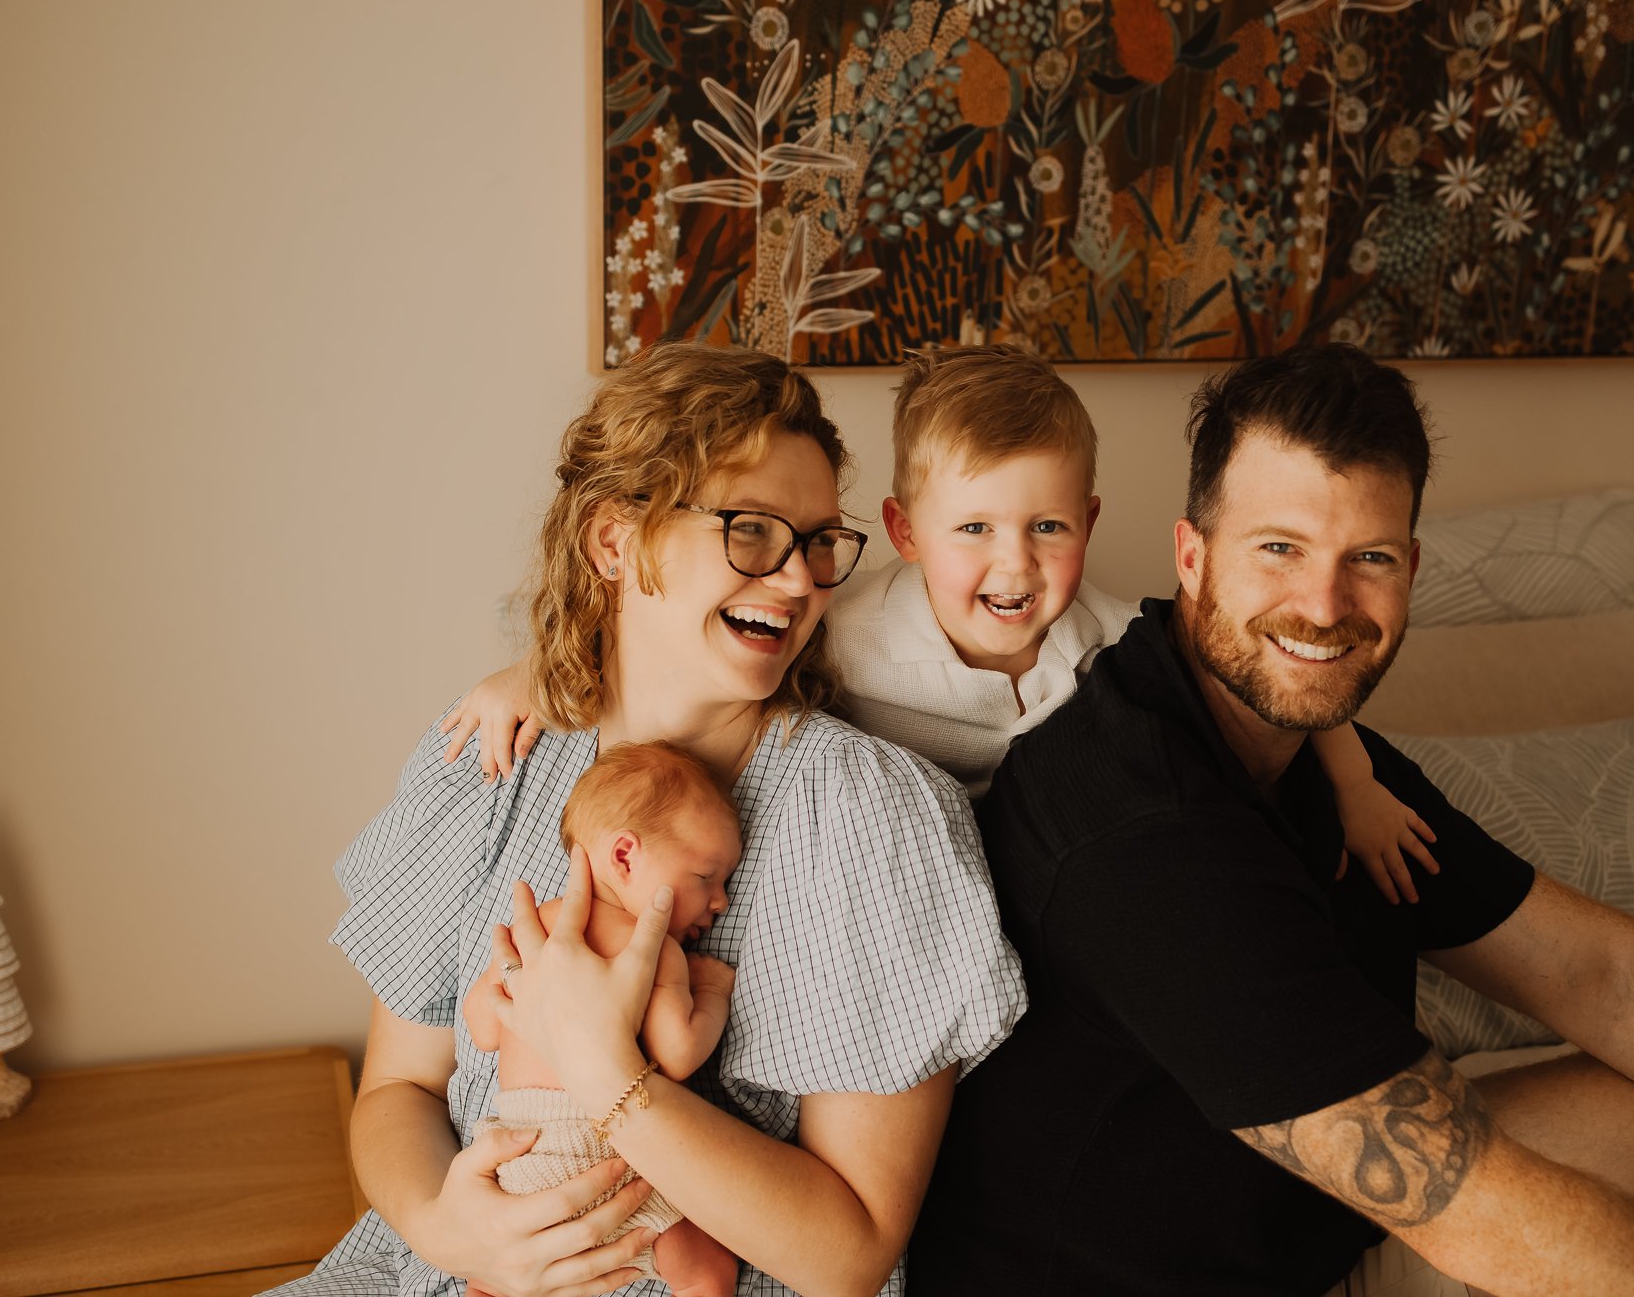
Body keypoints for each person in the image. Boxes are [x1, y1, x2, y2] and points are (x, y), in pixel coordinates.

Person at [906, 343, 1634, 1297]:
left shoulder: (1317, 755)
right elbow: (1465, 1201)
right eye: (1278, 549)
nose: (1325, 607)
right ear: (1192, 560)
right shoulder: (1138, 824)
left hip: (1292, 1223)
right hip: (1132, 1281)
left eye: (1368, 560)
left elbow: (1598, 977)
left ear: (1410, 571)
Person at [281, 342, 1025, 1297]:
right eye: (752, 531)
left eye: (817, 541)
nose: (799, 581)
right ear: (614, 542)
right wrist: (449, 1230)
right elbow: (398, 1091)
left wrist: (611, 1082)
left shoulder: (865, 820)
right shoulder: (492, 757)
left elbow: (849, 1254)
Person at [449, 343, 1442, 905]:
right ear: (902, 532)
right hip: (923, 871)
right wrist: (530, 680)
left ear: (1088, 524)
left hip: (1060, 879)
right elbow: (672, 646)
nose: (1014, 565)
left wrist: (1351, 787)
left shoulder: (1112, 640)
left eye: (1047, 527)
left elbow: (1268, 665)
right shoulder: (841, 624)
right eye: (974, 529)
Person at [463, 740, 745, 1297]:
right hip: (614, 1154)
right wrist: (711, 991)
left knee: (494, 1281)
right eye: (706, 877)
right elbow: (678, 1052)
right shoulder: (654, 946)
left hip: (523, 1157)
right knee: (709, 1273)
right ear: (624, 857)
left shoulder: (534, 930)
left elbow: (483, 1026)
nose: (722, 902)